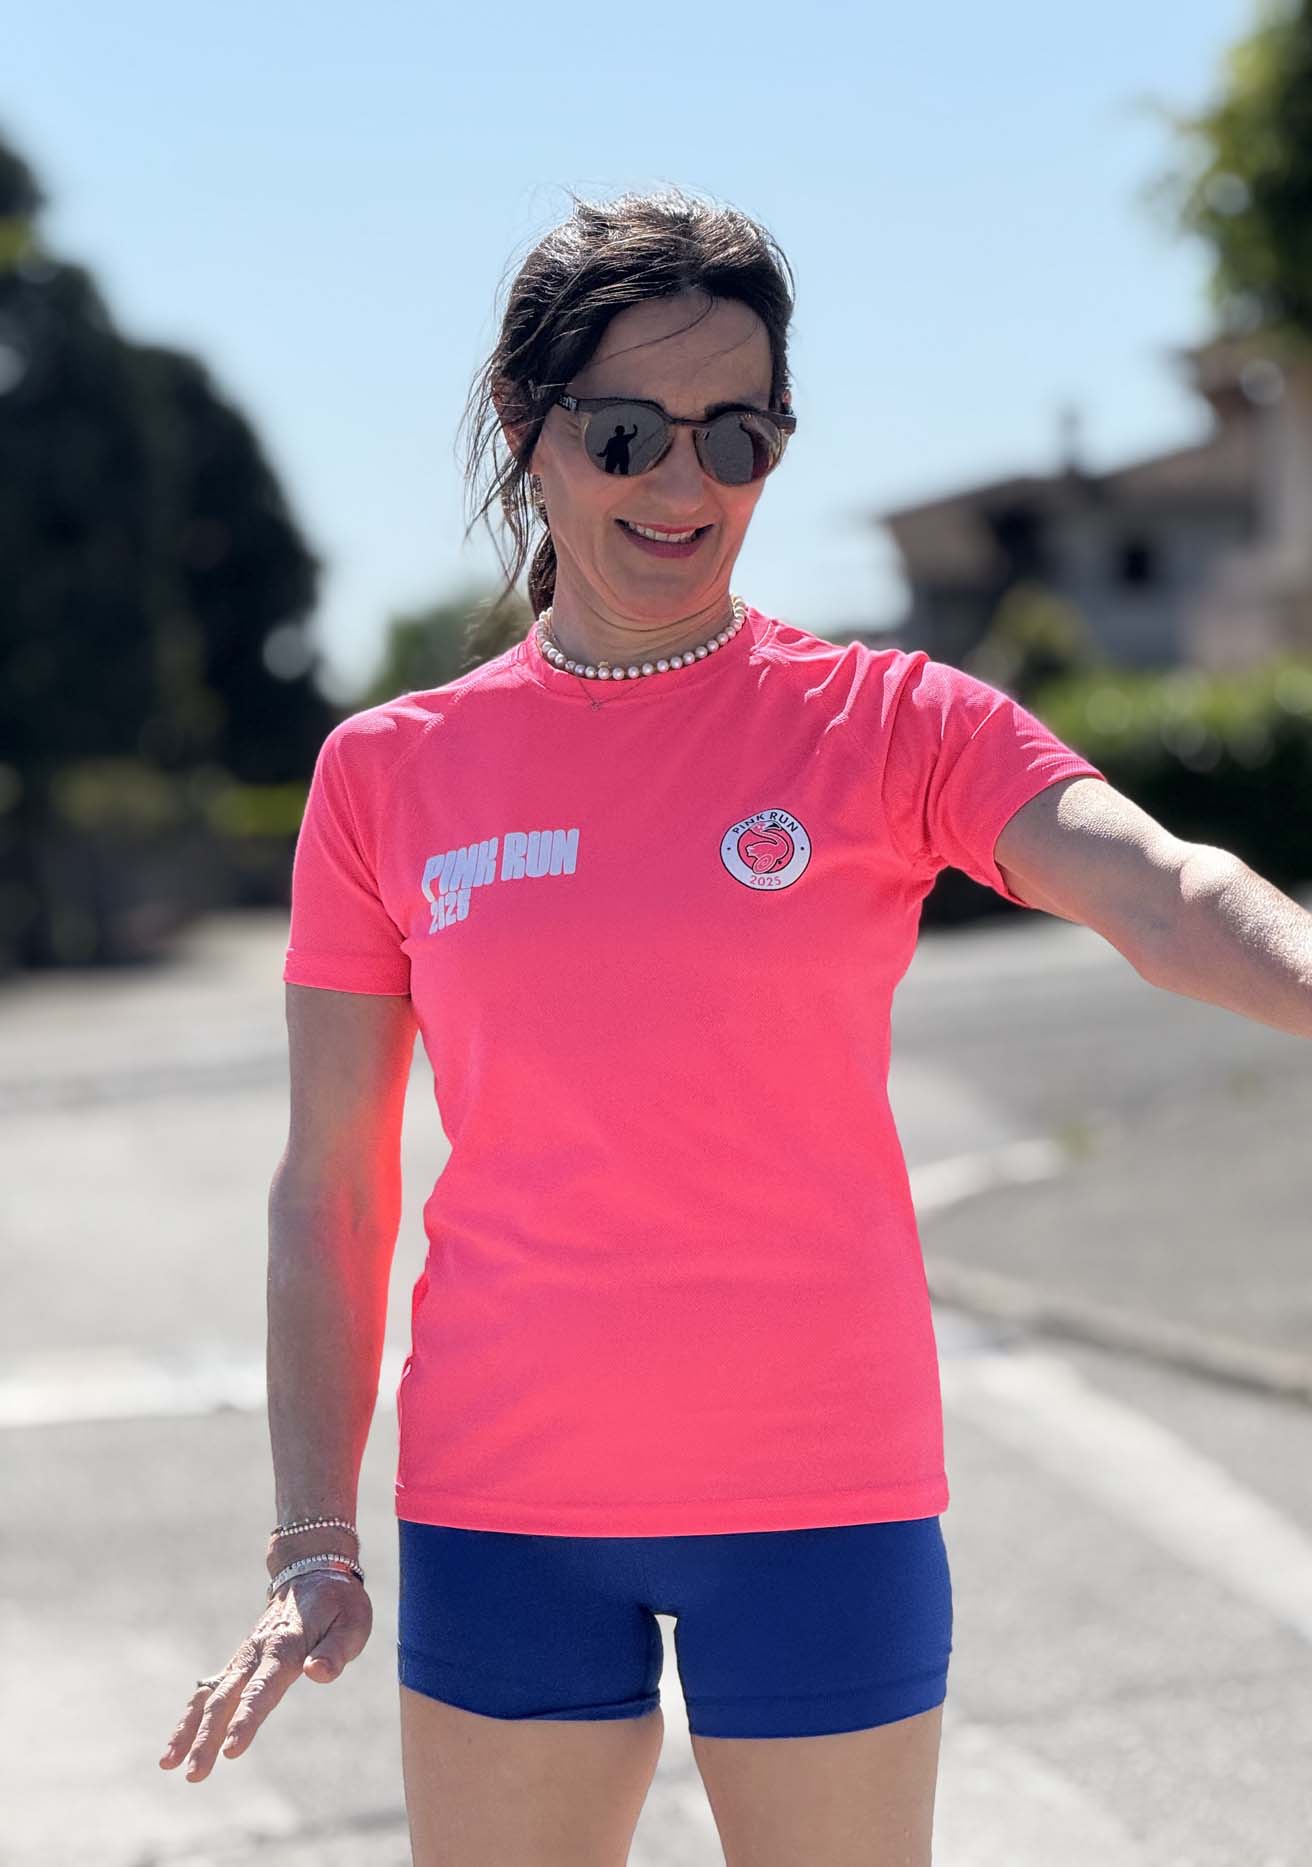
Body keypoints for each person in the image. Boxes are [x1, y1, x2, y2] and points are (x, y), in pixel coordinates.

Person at [158, 184, 1116, 1863]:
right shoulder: (387, 776)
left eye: (737, 439)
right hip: (505, 1511)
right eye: (626, 435)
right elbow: (335, 1190)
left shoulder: (885, 724)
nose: (684, 488)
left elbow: (1156, 882)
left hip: (823, 1496)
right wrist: (313, 1535)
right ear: (526, 428)